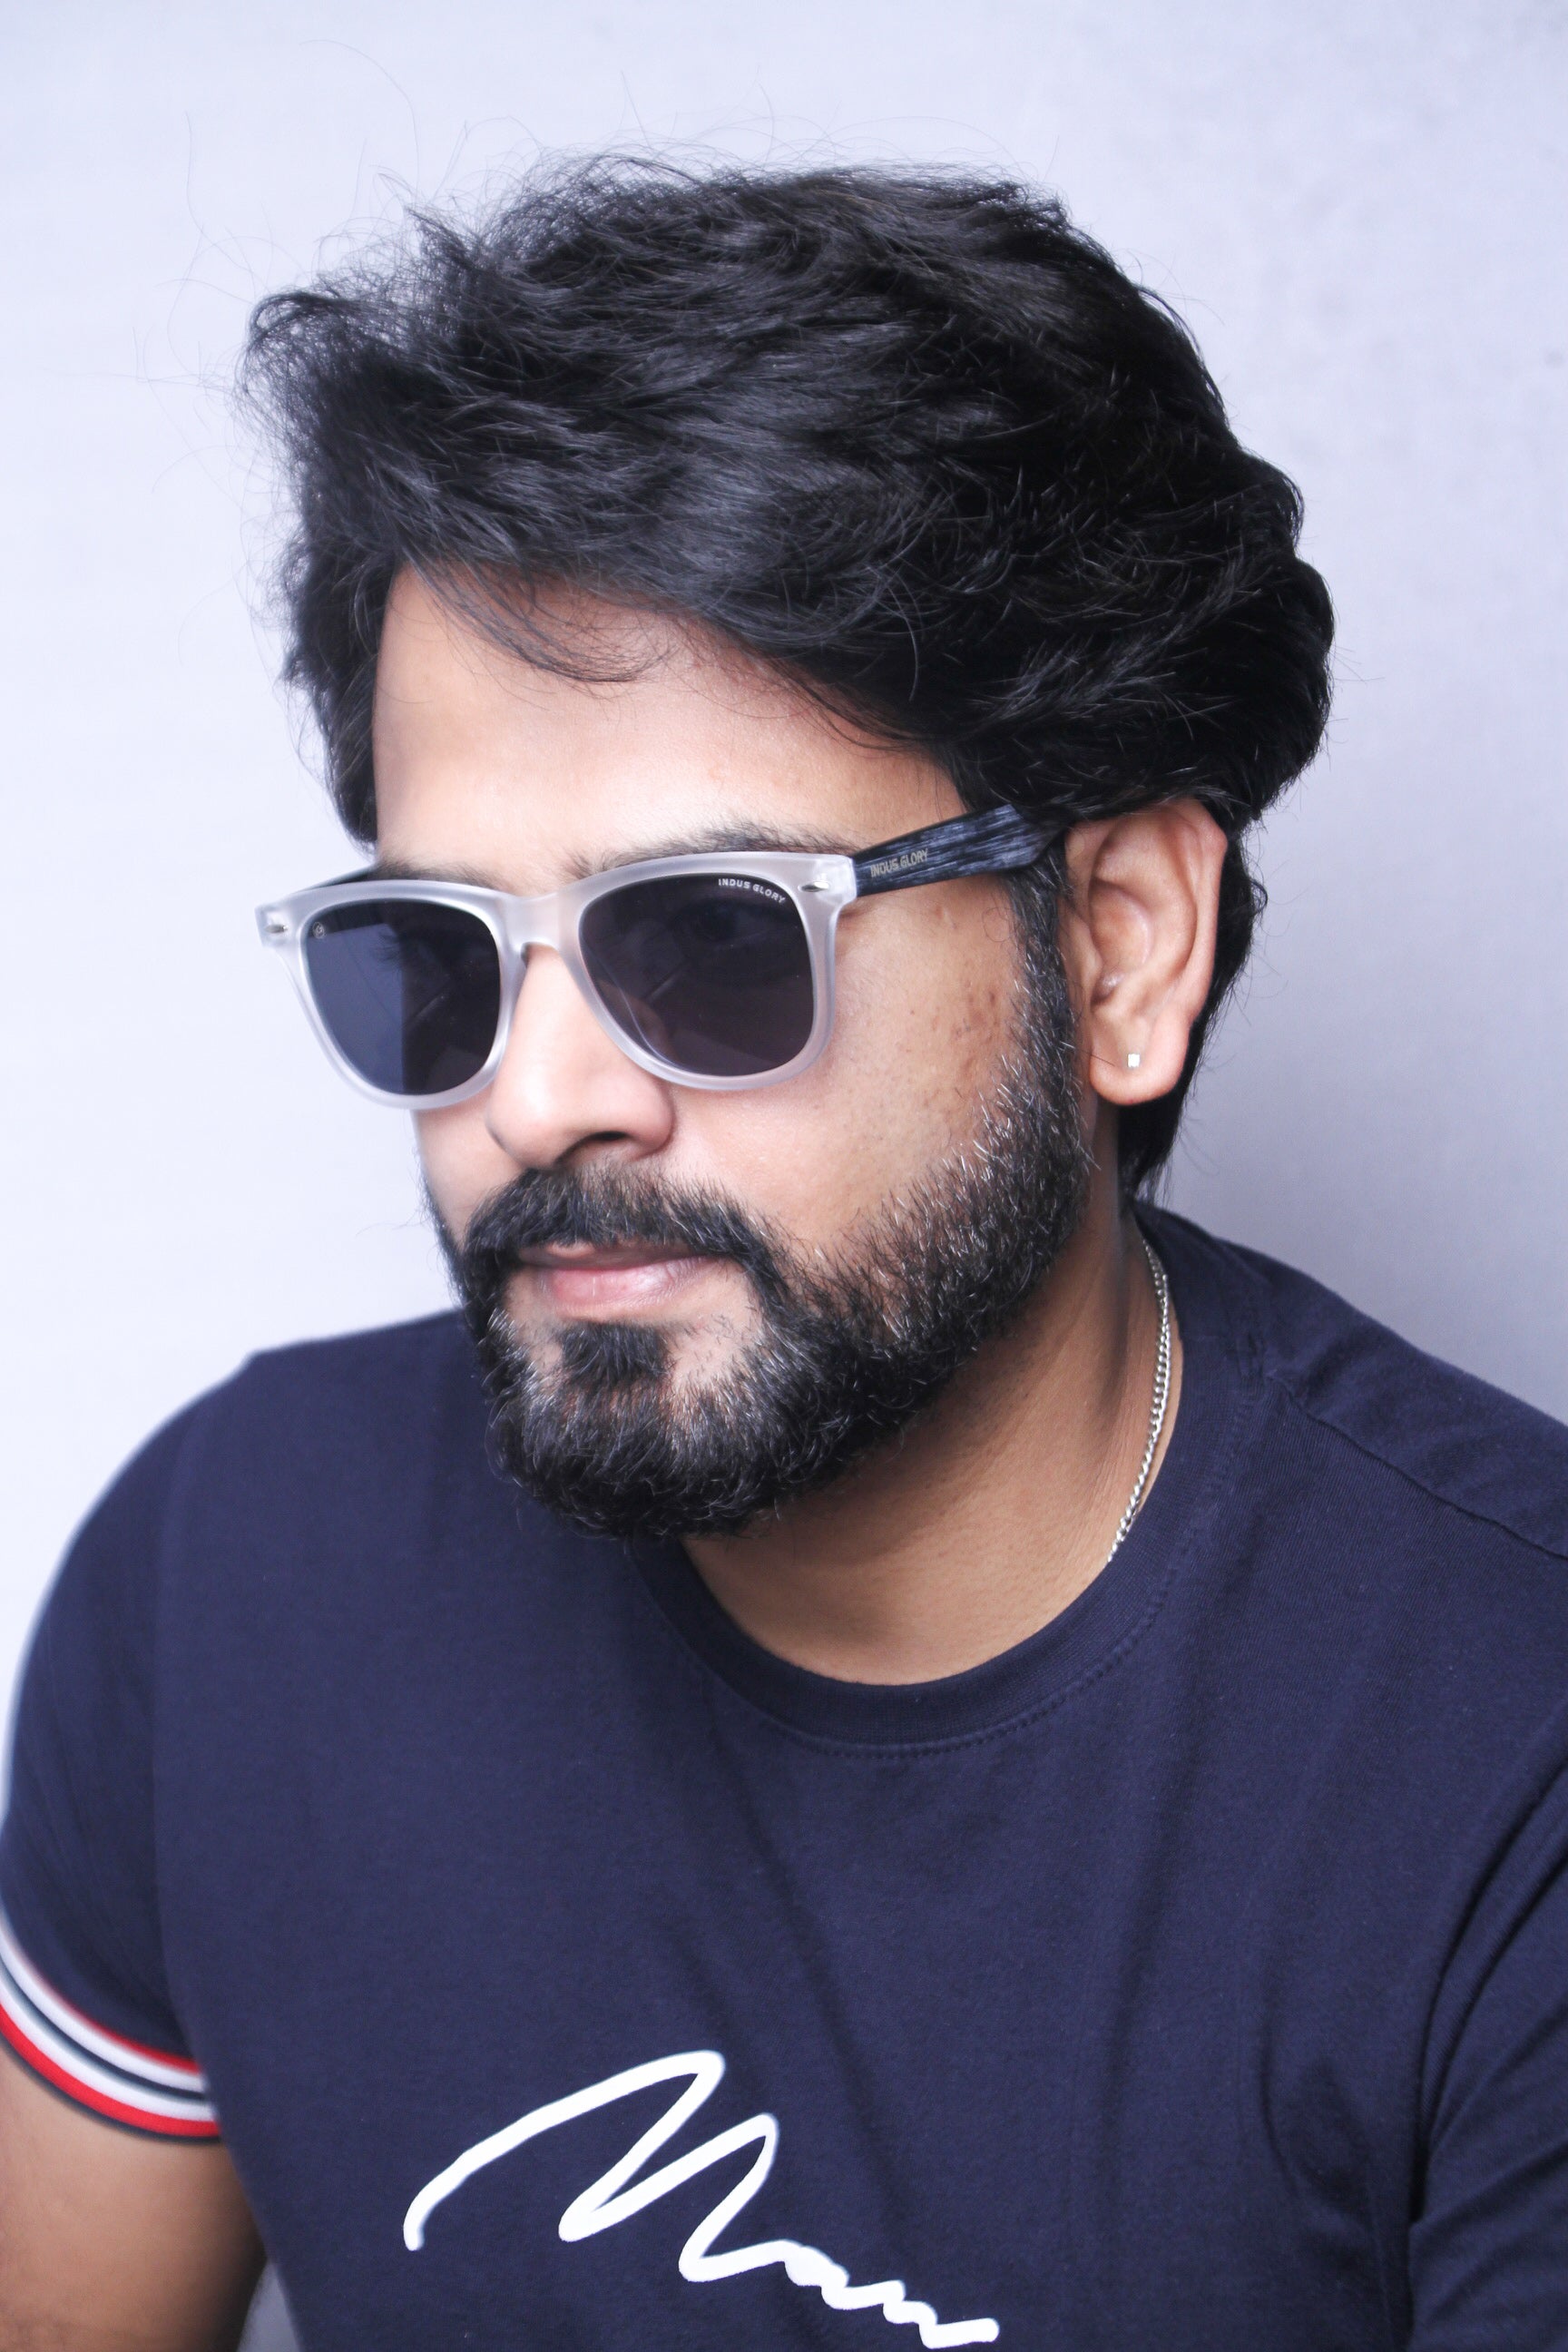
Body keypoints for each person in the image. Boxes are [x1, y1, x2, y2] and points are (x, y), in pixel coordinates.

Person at [0, 160, 1563, 2352]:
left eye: (713, 941)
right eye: (438, 956)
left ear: (1119, 949)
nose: (542, 1096)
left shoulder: (1511, 1754)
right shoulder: (229, 1577)